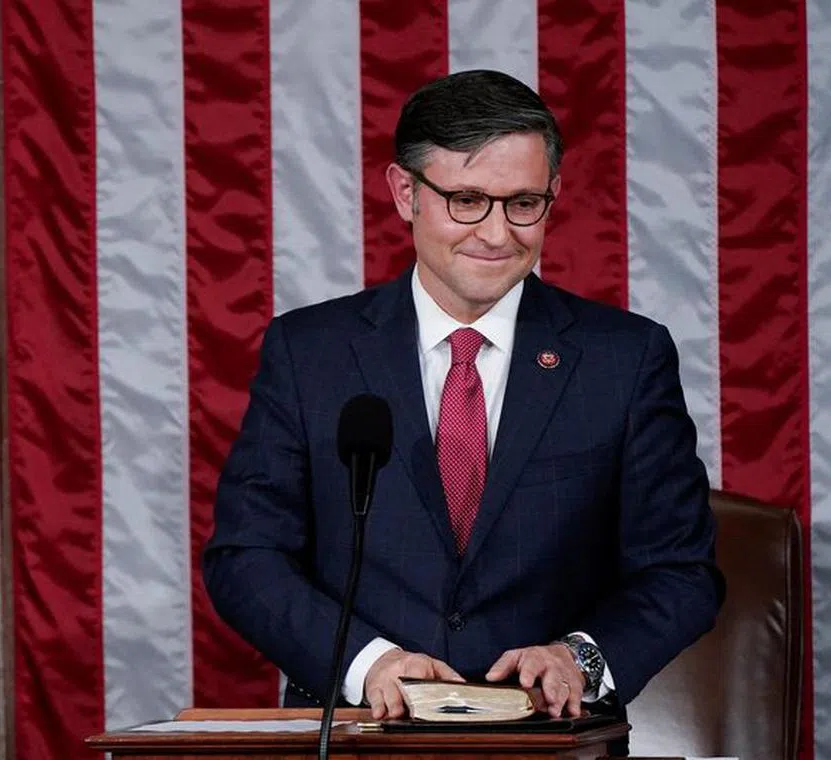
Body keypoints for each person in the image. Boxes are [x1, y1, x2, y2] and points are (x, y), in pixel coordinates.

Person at [203, 69, 723, 732]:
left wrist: (580, 661)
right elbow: (245, 557)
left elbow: (681, 573)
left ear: (553, 196)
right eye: (468, 200)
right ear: (405, 193)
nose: (498, 233)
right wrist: (370, 664)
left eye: (523, 203)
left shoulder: (625, 359)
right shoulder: (312, 354)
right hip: (364, 734)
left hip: (549, 740)